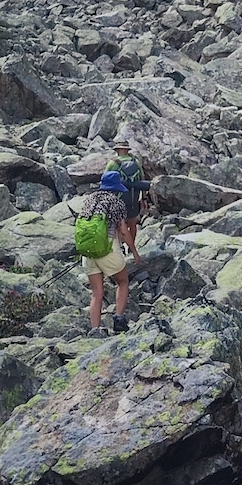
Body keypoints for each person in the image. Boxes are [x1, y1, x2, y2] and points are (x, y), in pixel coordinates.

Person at [75, 171, 134, 337]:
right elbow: (123, 230)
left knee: (96, 293)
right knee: (122, 282)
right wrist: (134, 251)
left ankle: (95, 330)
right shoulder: (116, 203)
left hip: (88, 253)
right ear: (116, 188)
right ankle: (119, 319)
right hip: (107, 250)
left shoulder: (90, 200)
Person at [103, 137, 152, 233]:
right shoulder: (136, 162)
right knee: (133, 224)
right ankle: (131, 247)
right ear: (127, 150)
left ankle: (121, 246)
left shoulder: (112, 163)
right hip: (134, 198)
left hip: (118, 199)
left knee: (119, 225)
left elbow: (105, 181)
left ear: (118, 150)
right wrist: (144, 198)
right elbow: (142, 179)